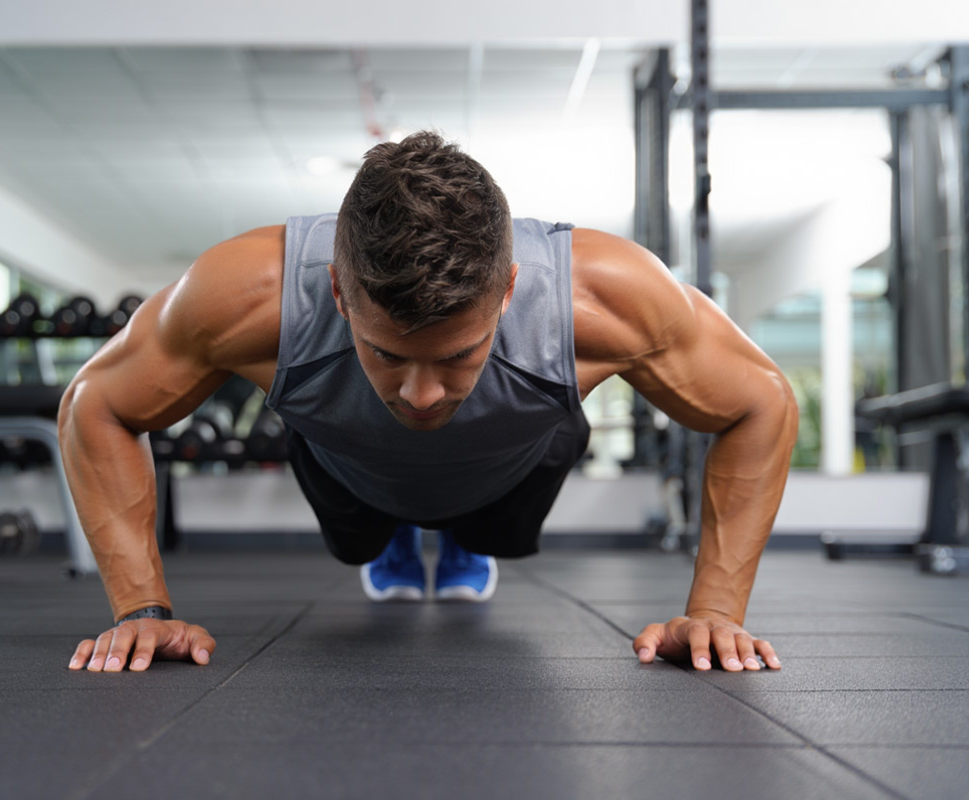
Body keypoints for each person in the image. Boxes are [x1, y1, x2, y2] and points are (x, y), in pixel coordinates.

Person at [61, 131, 797, 675]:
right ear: (340, 292)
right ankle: (400, 537)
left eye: (456, 355)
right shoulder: (245, 292)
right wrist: (142, 613)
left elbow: (760, 400)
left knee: (497, 531)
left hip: (513, 467)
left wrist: (715, 614)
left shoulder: (607, 296)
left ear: (507, 290)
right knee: (359, 543)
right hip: (346, 464)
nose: (419, 395)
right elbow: (96, 401)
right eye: (387, 353)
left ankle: (453, 538)